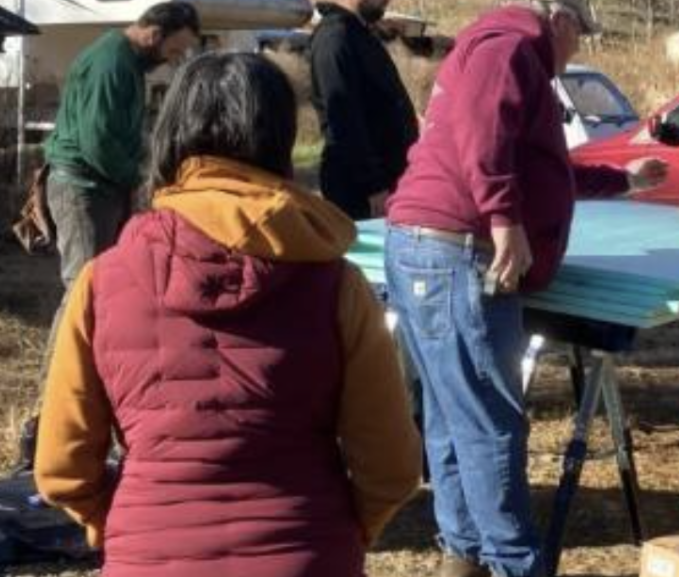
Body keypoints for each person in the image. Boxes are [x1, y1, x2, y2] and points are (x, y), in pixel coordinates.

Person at [35, 52, 421, 577]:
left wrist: (127, 526)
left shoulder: (100, 283)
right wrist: (339, 531)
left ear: (170, 135)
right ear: (281, 140)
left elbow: (62, 467)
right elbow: (392, 468)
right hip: (307, 550)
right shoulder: (338, 285)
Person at [385, 0, 668, 577]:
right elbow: (483, 139)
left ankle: (464, 560)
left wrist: (625, 179)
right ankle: (514, 565)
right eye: (578, 35)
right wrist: (503, 221)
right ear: (559, 20)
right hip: (456, 252)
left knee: (452, 413)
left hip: (425, 247)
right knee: (489, 421)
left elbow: (540, 168)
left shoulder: (491, 48)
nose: (576, 50)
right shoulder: (510, 45)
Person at [39, 1, 200, 349]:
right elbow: (98, 143)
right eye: (173, 50)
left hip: (101, 185)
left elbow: (121, 132)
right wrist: (140, 180)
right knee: (84, 289)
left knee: (104, 287)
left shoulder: (127, 63)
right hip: (83, 187)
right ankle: (54, 388)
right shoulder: (110, 64)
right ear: (154, 34)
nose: (173, 59)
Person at [309, 0, 419, 220]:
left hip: (386, 179)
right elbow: (342, 119)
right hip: (359, 190)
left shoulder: (359, 33)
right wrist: (373, 186)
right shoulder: (335, 39)